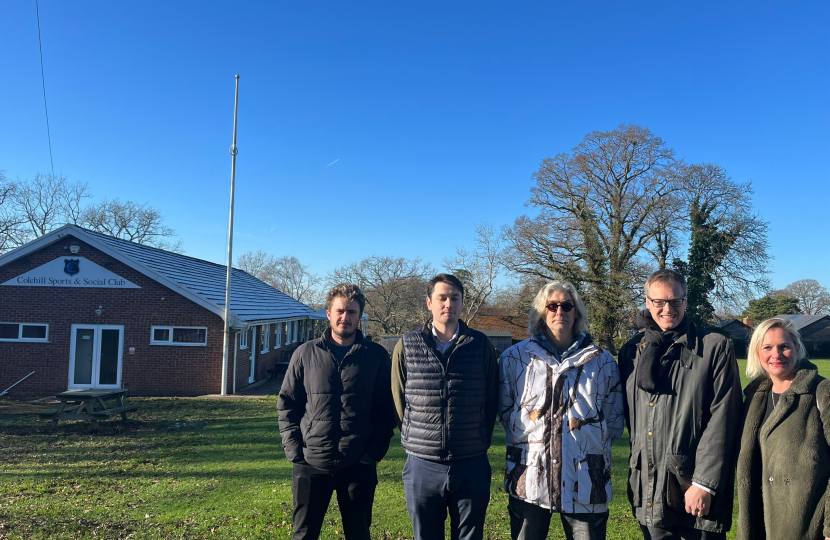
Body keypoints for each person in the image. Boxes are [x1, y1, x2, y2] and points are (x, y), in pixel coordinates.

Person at [618, 269, 742, 540]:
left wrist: (705, 484)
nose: (667, 309)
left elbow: (724, 420)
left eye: (675, 301)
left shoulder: (714, 348)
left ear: (686, 302)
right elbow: (631, 420)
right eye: (658, 302)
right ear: (647, 302)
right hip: (648, 487)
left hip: (692, 487)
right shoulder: (632, 351)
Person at [499, 280, 625, 540]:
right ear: (541, 312)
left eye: (567, 306)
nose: (560, 312)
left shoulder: (602, 362)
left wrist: (582, 442)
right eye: (552, 305)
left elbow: (613, 422)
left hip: (586, 480)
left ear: (576, 312)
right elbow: (504, 412)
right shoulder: (514, 358)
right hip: (530, 475)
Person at [278, 283, 395, 540]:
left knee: (359, 534)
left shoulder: (375, 356)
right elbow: (287, 403)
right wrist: (294, 450)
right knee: (304, 535)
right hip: (310, 462)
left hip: (358, 462)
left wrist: (372, 453)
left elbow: (386, 408)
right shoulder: (305, 353)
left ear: (360, 315)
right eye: (340, 311)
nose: (345, 317)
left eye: (352, 312)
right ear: (328, 314)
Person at [391, 273, 499, 540]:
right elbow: (398, 399)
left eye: (455, 298)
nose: (448, 303)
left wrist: (476, 437)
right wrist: (419, 437)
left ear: (462, 304)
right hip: (422, 465)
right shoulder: (407, 346)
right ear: (429, 303)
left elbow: (492, 399)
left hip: (471, 462)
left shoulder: (481, 345)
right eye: (442, 297)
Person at [736, 318, 830, 540]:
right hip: (759, 521)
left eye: (784, 346)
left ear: (797, 349)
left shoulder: (822, 391)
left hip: (807, 525)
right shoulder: (754, 397)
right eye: (767, 347)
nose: (776, 354)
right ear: (757, 353)